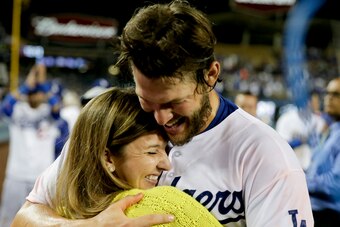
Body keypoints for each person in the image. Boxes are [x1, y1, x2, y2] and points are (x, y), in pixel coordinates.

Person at [12, 1, 313, 226]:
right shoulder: (117, 125)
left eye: (173, 103)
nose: (160, 118)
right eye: (148, 101)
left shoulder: (265, 155)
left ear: (210, 74)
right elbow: (26, 217)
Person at [53, 86, 221, 226]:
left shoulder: (60, 211)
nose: (166, 165)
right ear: (108, 158)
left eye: (165, 150)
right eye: (152, 151)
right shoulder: (166, 204)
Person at [0, 63, 62, 227]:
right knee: (8, 220)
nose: (36, 96)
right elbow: (3, 108)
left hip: (41, 178)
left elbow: (58, 108)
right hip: (16, 176)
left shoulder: (49, 112)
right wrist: (26, 87)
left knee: (43, 221)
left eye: (39, 93)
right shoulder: (17, 110)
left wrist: (42, 85)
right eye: (32, 93)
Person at [305, 77, 340, 227]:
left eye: (336, 94)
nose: (329, 98)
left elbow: (336, 184)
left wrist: (300, 180)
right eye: (327, 93)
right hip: (313, 211)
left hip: (329, 216)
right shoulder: (331, 131)